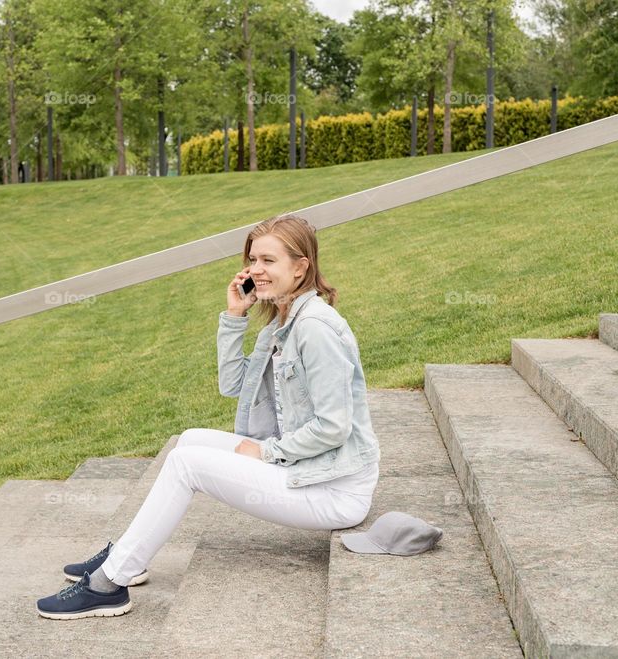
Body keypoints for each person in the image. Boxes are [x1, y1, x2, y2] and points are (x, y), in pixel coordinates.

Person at [36, 214, 381, 620]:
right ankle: (127, 553)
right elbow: (234, 385)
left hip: (334, 489)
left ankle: (110, 584)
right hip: (312, 470)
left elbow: (334, 427)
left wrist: (268, 452)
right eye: (253, 260)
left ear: (300, 266)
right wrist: (234, 316)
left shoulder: (315, 329)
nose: (255, 270)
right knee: (190, 439)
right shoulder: (282, 322)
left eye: (268, 261)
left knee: (187, 464)